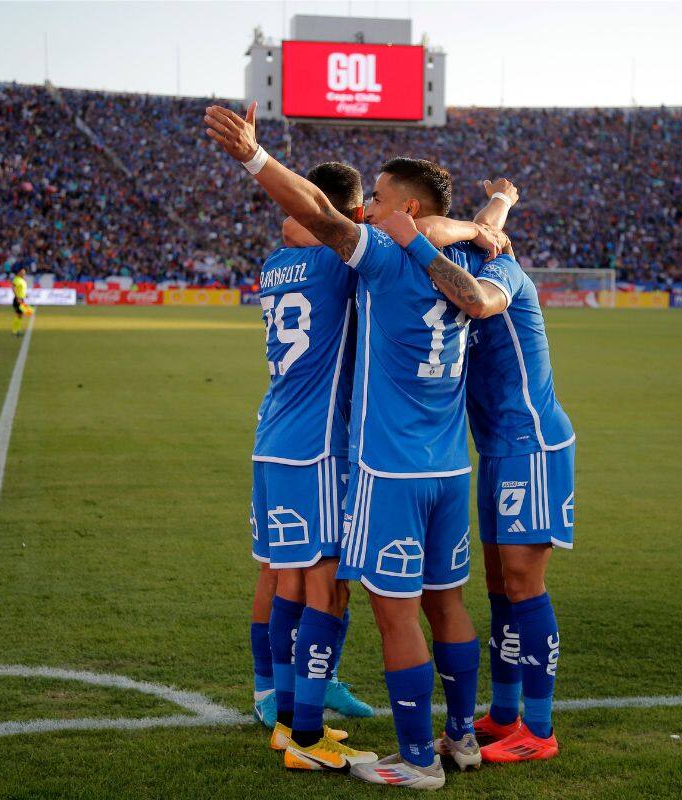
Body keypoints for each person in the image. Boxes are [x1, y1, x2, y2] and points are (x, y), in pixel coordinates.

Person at [205, 102, 502, 790]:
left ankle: (300, 716)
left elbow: (309, 219)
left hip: (322, 448)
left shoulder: (326, 265)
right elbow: (351, 220)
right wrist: (489, 215)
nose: (369, 208)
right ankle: (327, 728)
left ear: (404, 207)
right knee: (378, 596)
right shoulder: (446, 270)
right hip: (404, 458)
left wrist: (257, 158)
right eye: (363, 199)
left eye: (380, 198)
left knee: (310, 583)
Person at [405, 178, 575, 763]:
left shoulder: (498, 272)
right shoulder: (471, 252)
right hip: (498, 448)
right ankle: (504, 713)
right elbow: (457, 231)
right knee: (500, 585)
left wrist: (486, 221)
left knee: (526, 585)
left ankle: (541, 729)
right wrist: (498, 206)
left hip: (532, 443)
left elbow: (459, 270)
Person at [247, 161, 377, 773]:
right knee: (326, 584)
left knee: (292, 582)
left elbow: (302, 225)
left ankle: (288, 717)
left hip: (274, 437)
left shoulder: (275, 265)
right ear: (347, 215)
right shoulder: (337, 261)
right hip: (319, 444)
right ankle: (305, 734)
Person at [11, 267, 33, 336]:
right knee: (22, 314)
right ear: (19, 272)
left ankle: (17, 330)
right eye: (22, 271)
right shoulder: (16, 279)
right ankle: (15, 331)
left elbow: (21, 290)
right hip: (18, 300)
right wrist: (18, 297)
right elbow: (14, 288)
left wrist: (25, 295)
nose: (24, 273)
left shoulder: (22, 280)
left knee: (21, 315)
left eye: (24, 271)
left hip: (21, 299)